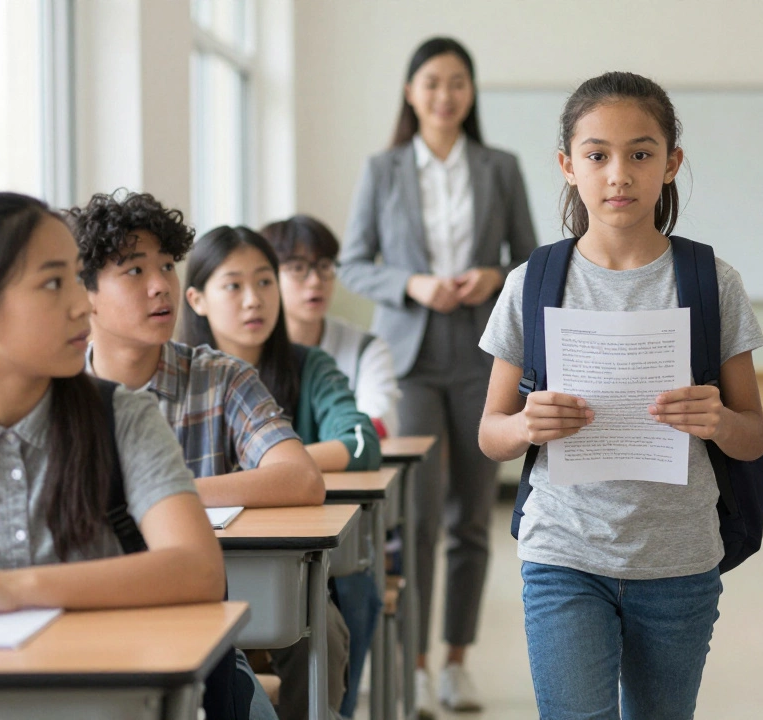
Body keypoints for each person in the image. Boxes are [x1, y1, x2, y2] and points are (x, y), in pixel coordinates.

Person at [477, 71, 763, 720]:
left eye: (641, 154)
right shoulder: (534, 281)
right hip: (563, 552)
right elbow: (491, 435)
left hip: (679, 560)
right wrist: (526, 423)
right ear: (566, 165)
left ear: (671, 164)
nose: (618, 174)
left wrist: (718, 419)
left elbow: (756, 436)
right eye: (597, 155)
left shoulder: (710, 280)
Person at [0, 192, 229, 711]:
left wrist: (11, 588)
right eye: (53, 283)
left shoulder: (120, 417)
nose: (82, 304)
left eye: (77, 278)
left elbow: (199, 569)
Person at [338, 36, 537, 715]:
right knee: (417, 519)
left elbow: (532, 260)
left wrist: (493, 277)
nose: (444, 94)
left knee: (473, 518)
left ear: (471, 93)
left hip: (487, 354)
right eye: (431, 82)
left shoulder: (500, 167)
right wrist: (414, 284)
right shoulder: (383, 168)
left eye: (457, 82)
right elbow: (353, 263)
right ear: (410, 91)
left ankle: (456, 661)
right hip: (412, 357)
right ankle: (415, 663)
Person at [70, 190, 323, 720]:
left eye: (166, 265)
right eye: (134, 271)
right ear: (85, 292)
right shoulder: (57, 394)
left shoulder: (220, 374)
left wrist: (165, 497)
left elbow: (300, 479)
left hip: (201, 621)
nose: (162, 284)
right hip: (86, 631)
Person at [183, 224, 383, 718]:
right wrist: (266, 476)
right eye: (233, 285)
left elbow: (360, 443)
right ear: (197, 299)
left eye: (265, 281)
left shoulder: (307, 365)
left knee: (331, 621)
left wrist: (279, 463)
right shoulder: (179, 379)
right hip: (198, 561)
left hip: (281, 563)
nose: (254, 300)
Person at [263, 214, 400, 438]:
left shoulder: (365, 348)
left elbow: (378, 425)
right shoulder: (251, 348)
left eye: (324, 266)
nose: (316, 280)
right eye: (298, 268)